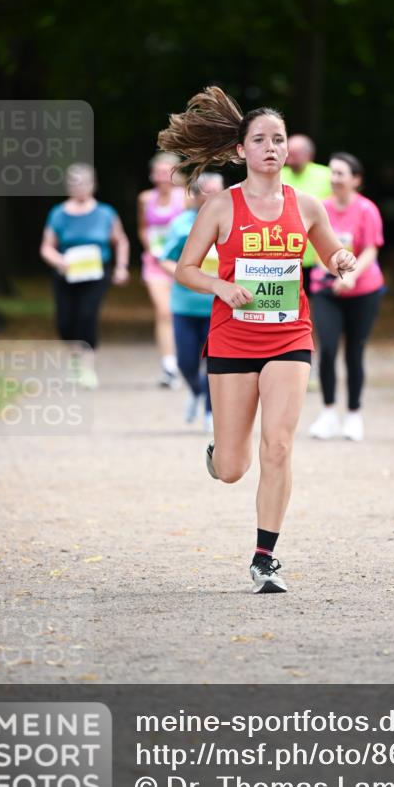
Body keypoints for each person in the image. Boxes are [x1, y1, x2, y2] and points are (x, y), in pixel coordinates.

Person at [157, 87, 356, 594]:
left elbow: (331, 251)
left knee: (280, 445)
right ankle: (220, 451)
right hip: (232, 340)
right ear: (241, 150)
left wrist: (342, 261)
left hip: (289, 335)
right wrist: (221, 285)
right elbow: (184, 269)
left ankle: (265, 557)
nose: (272, 147)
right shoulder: (222, 206)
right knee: (231, 468)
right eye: (261, 139)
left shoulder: (307, 205)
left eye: (279, 139)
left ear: (288, 149)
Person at [308, 152, 385, 442]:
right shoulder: (321, 208)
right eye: (332, 173)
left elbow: (370, 250)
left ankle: (353, 414)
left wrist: (351, 276)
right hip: (326, 289)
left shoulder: (367, 210)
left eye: (341, 173)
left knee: (355, 351)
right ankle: (328, 413)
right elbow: (317, 248)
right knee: (327, 349)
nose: (335, 178)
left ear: (356, 180)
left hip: (364, 290)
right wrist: (336, 276)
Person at [40, 163, 130, 388]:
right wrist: (58, 260)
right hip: (67, 274)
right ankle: (75, 359)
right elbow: (47, 247)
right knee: (65, 322)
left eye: (83, 182)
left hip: (96, 273)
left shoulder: (105, 213)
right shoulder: (58, 213)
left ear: (93, 184)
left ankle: (87, 367)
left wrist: (121, 267)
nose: (79, 187)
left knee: (87, 315)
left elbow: (120, 241)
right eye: (74, 182)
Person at [158, 172, 224, 433]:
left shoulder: (232, 222)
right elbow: (165, 259)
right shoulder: (182, 224)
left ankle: (210, 410)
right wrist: (189, 274)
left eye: (220, 189)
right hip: (185, 303)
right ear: (196, 195)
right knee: (186, 361)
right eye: (210, 191)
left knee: (215, 361)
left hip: (218, 304)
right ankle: (196, 391)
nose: (216, 196)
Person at [137, 152, 186, 387]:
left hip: (182, 263)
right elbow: (143, 229)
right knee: (164, 312)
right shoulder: (146, 199)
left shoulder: (185, 197)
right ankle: (169, 366)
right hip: (155, 263)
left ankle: (188, 360)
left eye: (167, 172)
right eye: (158, 172)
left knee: (183, 313)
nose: (162, 177)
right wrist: (152, 249)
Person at [280, 134, 332, 296]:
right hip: (286, 254)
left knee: (320, 302)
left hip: (319, 254)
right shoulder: (277, 175)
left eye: (294, 155)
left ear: (309, 155)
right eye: (288, 154)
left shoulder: (327, 176)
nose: (289, 159)